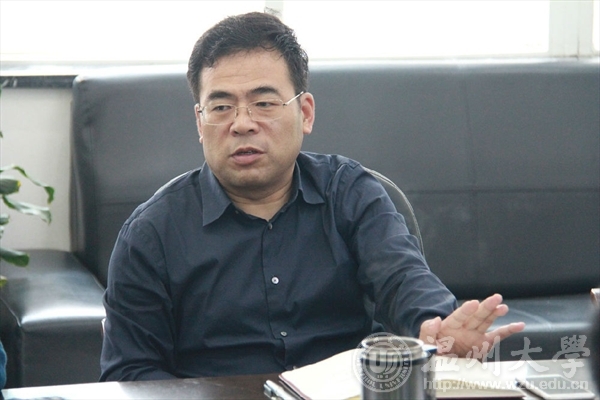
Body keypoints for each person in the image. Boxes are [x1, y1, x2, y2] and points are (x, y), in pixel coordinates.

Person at [100, 11, 524, 381]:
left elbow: (402, 279)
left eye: (264, 103)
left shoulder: (351, 194)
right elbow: (130, 373)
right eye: (221, 107)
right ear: (200, 122)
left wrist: (437, 326)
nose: (242, 123)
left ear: (304, 113)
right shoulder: (152, 233)